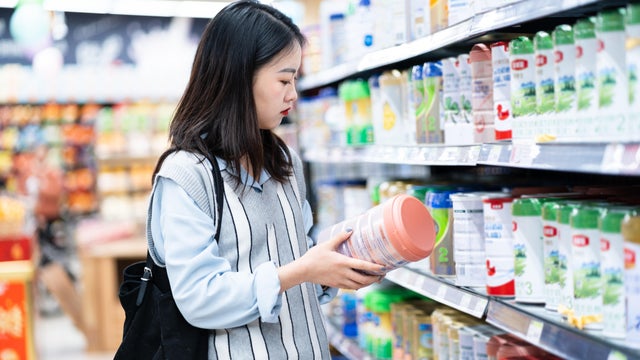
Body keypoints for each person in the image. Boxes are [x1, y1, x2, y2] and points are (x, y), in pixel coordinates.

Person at [146, 1, 385, 359]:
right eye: (284, 79)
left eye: (296, 80)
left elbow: (299, 260)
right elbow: (199, 298)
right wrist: (301, 271)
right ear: (240, 76)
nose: (293, 94)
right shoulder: (186, 176)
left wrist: (336, 265)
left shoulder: (283, 162)